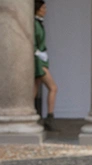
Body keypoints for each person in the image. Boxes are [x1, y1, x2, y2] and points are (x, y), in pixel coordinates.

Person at [34, 0, 58, 131]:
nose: (45, 10)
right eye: (43, 7)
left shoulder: (38, 23)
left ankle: (33, 116)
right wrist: (38, 53)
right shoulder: (34, 24)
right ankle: (49, 118)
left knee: (34, 89)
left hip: (40, 58)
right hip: (38, 60)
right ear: (37, 9)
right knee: (53, 87)